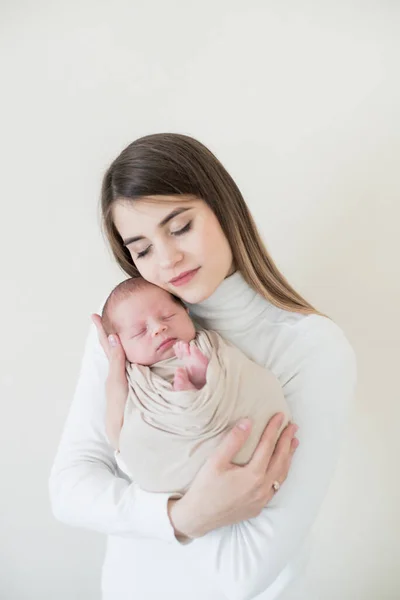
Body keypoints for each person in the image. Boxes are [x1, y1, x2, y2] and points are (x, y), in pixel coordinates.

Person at [49, 133, 357, 600]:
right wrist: (184, 516)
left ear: (222, 207)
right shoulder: (131, 326)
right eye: (142, 248)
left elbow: (244, 570)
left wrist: (135, 507)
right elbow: (68, 490)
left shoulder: (311, 348)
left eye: (179, 227)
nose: (167, 260)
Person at [100, 276, 291, 494]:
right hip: (180, 463)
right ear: (120, 346)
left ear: (186, 312)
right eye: (140, 332)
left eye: (168, 316)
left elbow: (246, 379)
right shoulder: (134, 379)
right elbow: (134, 441)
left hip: (249, 440)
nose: (158, 328)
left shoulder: (210, 345)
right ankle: (188, 394)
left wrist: (213, 374)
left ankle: (202, 380)